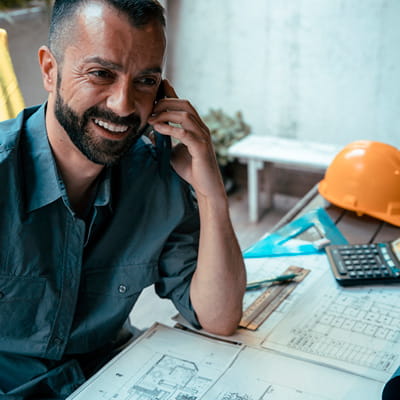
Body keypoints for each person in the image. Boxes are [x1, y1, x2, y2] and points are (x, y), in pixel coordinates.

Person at [0, 0, 246, 398]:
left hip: (112, 383)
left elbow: (217, 318)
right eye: (101, 73)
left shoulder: (155, 177)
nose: (123, 105)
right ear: (50, 70)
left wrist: (210, 187)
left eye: (146, 81)